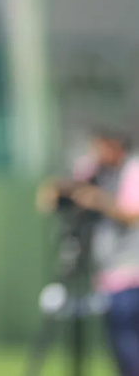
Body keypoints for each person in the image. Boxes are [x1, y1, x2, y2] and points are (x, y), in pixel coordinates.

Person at [37, 128, 139, 376]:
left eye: (101, 148)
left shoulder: (132, 171)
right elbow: (51, 196)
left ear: (115, 146)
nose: (97, 155)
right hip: (110, 275)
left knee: (127, 344)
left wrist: (98, 200)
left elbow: (131, 214)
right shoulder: (100, 173)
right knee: (117, 344)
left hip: (131, 274)